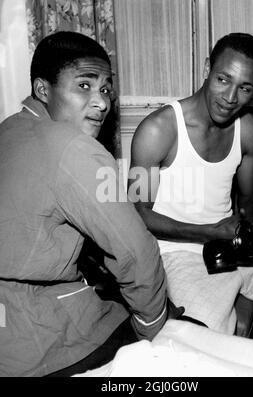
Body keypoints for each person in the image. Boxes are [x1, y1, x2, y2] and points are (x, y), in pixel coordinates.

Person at [0, 31, 183, 377]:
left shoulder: (8, 131)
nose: (101, 102)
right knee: (186, 337)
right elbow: (136, 253)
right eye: (84, 85)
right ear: (43, 89)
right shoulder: (75, 149)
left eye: (105, 90)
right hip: (39, 338)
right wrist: (157, 328)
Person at [128, 32, 253, 335]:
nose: (230, 98)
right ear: (208, 68)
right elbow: (137, 214)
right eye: (223, 79)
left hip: (236, 248)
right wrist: (207, 232)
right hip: (179, 254)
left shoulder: (247, 129)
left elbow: (248, 199)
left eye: (244, 88)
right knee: (206, 343)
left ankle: (243, 296)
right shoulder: (157, 130)